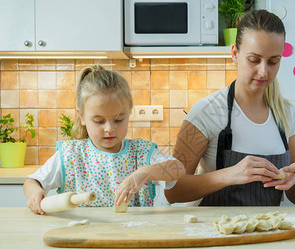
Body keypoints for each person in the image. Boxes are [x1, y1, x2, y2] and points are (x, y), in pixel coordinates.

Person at [165, 9, 295, 206]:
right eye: (254, 60)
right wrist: (230, 175)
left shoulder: (289, 115)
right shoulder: (206, 112)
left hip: (267, 232)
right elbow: (172, 191)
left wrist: (294, 180)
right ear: (235, 54)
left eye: (273, 62)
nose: (263, 71)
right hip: (215, 232)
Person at [24, 65, 185, 214]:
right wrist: (35, 193)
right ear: (82, 117)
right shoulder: (70, 155)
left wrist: (145, 172)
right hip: (81, 237)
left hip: (133, 236)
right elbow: (32, 181)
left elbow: (178, 168)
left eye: (118, 119)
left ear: (128, 114)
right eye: (99, 121)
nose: (109, 128)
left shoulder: (141, 152)